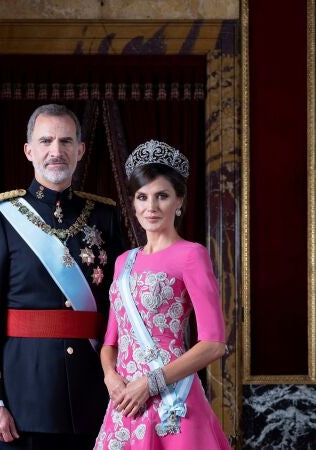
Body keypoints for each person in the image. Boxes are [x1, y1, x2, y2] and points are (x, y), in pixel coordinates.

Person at [0, 103, 127, 450]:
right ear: (29, 150)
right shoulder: (1, 216)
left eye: (66, 141)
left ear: (80, 150)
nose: (56, 151)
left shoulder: (104, 216)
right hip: (25, 399)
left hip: (94, 392)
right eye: (46, 141)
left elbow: (121, 307)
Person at [94, 140, 230, 449]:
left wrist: (150, 383)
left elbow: (214, 344)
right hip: (127, 401)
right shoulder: (122, 262)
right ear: (133, 203)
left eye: (162, 196)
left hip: (172, 398)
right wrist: (110, 378)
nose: (151, 207)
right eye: (142, 197)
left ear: (179, 201)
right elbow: (110, 342)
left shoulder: (191, 255)